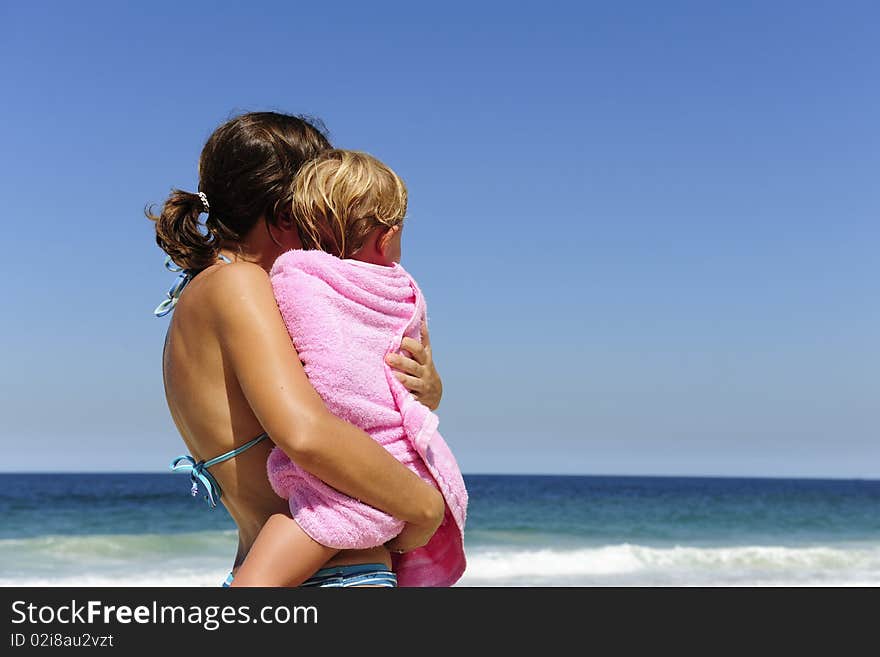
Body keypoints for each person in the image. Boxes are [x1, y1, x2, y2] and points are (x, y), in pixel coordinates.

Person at [148, 112, 446, 588]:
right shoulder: (239, 285)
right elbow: (307, 433)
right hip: (334, 578)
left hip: (273, 571)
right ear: (288, 215)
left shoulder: (201, 297)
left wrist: (424, 389)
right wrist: (426, 506)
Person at [229, 150, 467, 588]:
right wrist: (429, 394)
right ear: (387, 235)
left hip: (341, 476)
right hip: (397, 473)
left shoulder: (293, 278)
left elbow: (321, 380)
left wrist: (428, 390)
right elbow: (404, 378)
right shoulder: (405, 292)